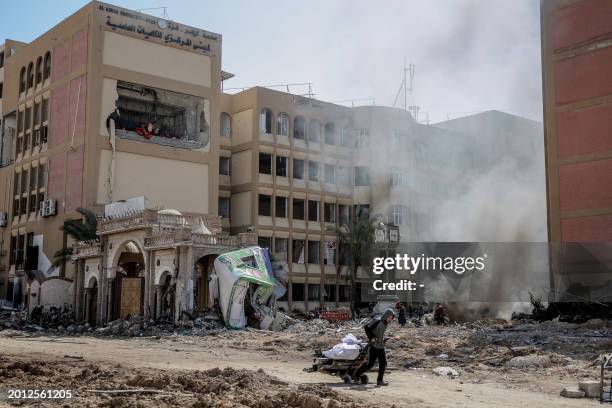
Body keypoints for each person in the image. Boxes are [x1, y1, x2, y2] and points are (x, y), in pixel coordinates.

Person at [356, 308, 396, 386]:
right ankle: (356, 375)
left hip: (380, 346)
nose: (390, 319)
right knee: (370, 364)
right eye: (390, 317)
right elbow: (366, 327)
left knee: (383, 363)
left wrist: (383, 339)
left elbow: (379, 333)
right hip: (373, 346)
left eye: (392, 318)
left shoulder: (385, 323)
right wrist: (371, 338)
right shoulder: (377, 320)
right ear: (386, 316)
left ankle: (379, 381)